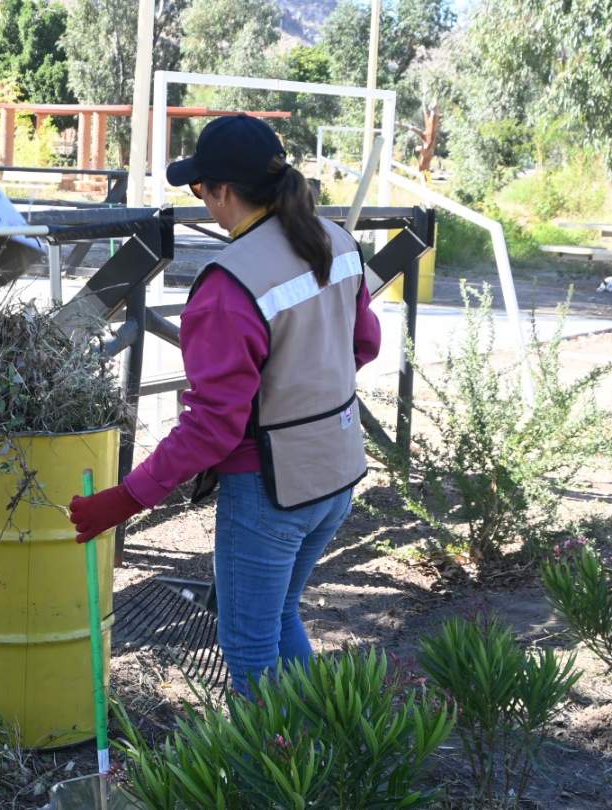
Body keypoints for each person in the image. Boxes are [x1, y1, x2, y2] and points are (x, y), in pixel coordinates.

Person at [67, 114, 381, 698]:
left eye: (199, 188)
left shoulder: (226, 285)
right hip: (337, 472)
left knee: (249, 648)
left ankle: (268, 780)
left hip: (270, 492)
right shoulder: (336, 240)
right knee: (282, 616)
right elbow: (365, 343)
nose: (201, 200)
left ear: (224, 192)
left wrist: (126, 498)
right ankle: (321, 753)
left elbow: (212, 428)